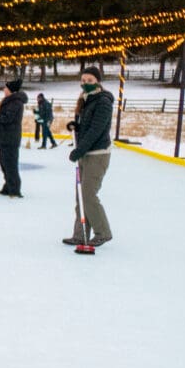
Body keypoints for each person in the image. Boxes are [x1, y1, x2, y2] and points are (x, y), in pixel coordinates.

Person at [66, 65, 115, 247]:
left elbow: (96, 130)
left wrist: (79, 149)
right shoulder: (85, 100)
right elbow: (86, 127)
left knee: (88, 194)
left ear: (97, 82)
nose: (86, 84)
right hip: (85, 153)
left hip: (97, 154)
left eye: (90, 81)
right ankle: (80, 234)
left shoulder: (103, 101)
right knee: (80, 196)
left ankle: (103, 232)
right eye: (84, 81)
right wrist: (76, 127)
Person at [0, 78, 28, 197]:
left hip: (10, 137)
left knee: (10, 164)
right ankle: (8, 186)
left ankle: (15, 189)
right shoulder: (9, 101)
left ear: (10, 90)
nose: (3, 89)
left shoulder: (15, 103)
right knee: (4, 163)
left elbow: (7, 118)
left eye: (5, 88)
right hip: (4, 136)